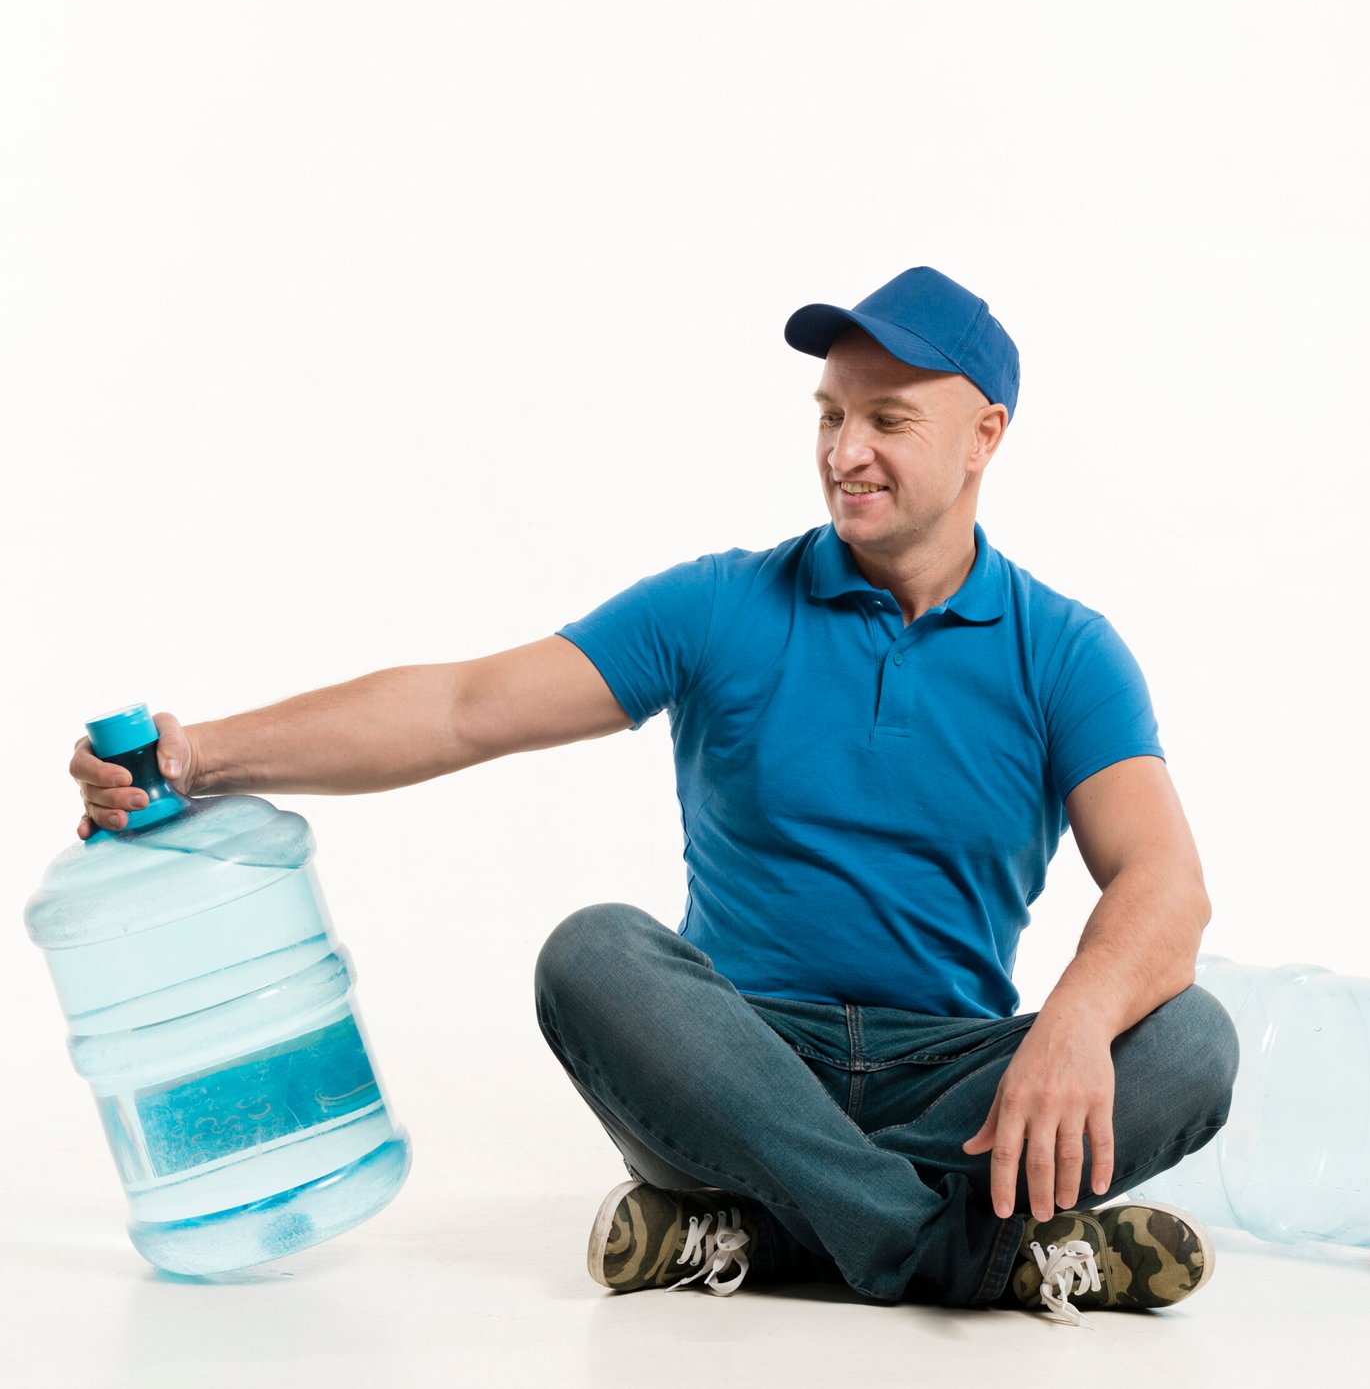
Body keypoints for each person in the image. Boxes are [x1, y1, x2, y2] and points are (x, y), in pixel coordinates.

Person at [70, 266, 1239, 1326]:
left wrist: (1073, 1021)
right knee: (594, 955)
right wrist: (195, 754)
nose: (845, 452)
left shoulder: (1065, 653)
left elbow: (1164, 882)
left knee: (1193, 1038)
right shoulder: (721, 606)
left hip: (956, 1078)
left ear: (986, 435)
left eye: (888, 421)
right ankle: (970, 1250)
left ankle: (770, 1231)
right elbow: (462, 707)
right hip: (735, 1066)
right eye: (829, 416)